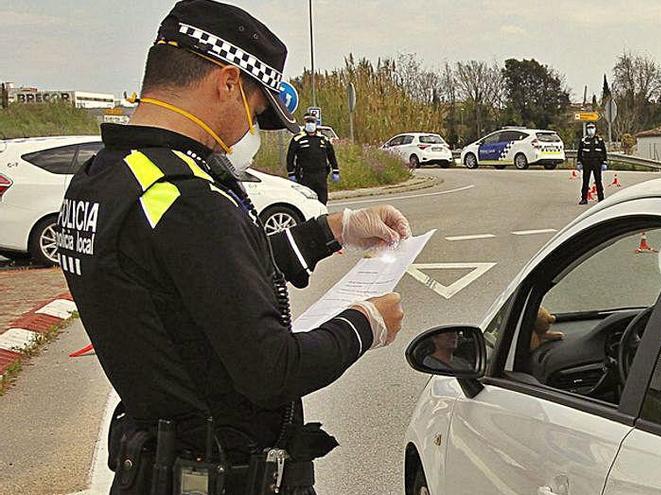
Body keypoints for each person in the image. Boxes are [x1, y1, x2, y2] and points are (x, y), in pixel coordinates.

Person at [56, 1, 410, 493]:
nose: (248, 131)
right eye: (256, 110)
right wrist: (365, 325)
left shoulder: (104, 178)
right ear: (226, 82)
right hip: (223, 471)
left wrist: (331, 229)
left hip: (156, 459)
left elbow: (201, 281)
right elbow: (273, 370)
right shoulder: (185, 197)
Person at [287, 114, 338, 204]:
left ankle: (321, 216)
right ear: (305, 123)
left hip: (321, 175)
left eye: (312, 121)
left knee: (322, 199)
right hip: (305, 175)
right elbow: (290, 157)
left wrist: (335, 170)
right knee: (306, 200)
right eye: (308, 122)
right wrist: (291, 172)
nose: (310, 124)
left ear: (316, 123)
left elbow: (331, 156)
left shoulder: (323, 139)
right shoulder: (298, 139)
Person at [576, 122, 607, 205]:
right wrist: (579, 162)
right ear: (587, 129)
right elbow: (579, 152)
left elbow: (604, 151)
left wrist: (604, 162)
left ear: (595, 129)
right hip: (586, 163)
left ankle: (601, 198)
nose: (591, 130)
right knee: (585, 181)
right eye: (589, 128)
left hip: (597, 163)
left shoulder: (599, 140)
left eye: (592, 128)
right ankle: (584, 199)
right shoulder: (584, 140)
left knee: (598, 181)